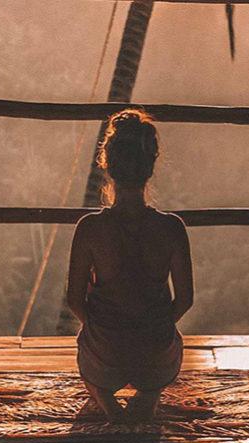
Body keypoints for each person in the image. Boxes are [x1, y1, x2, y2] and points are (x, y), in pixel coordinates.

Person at [66, 109, 194, 423]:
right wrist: (155, 326)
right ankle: (150, 393)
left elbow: (74, 300)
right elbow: (186, 299)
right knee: (162, 351)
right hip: (154, 353)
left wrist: (101, 329)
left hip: (106, 352)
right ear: (150, 165)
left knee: (91, 360)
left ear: (106, 164)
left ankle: (106, 399)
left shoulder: (90, 229)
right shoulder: (171, 228)